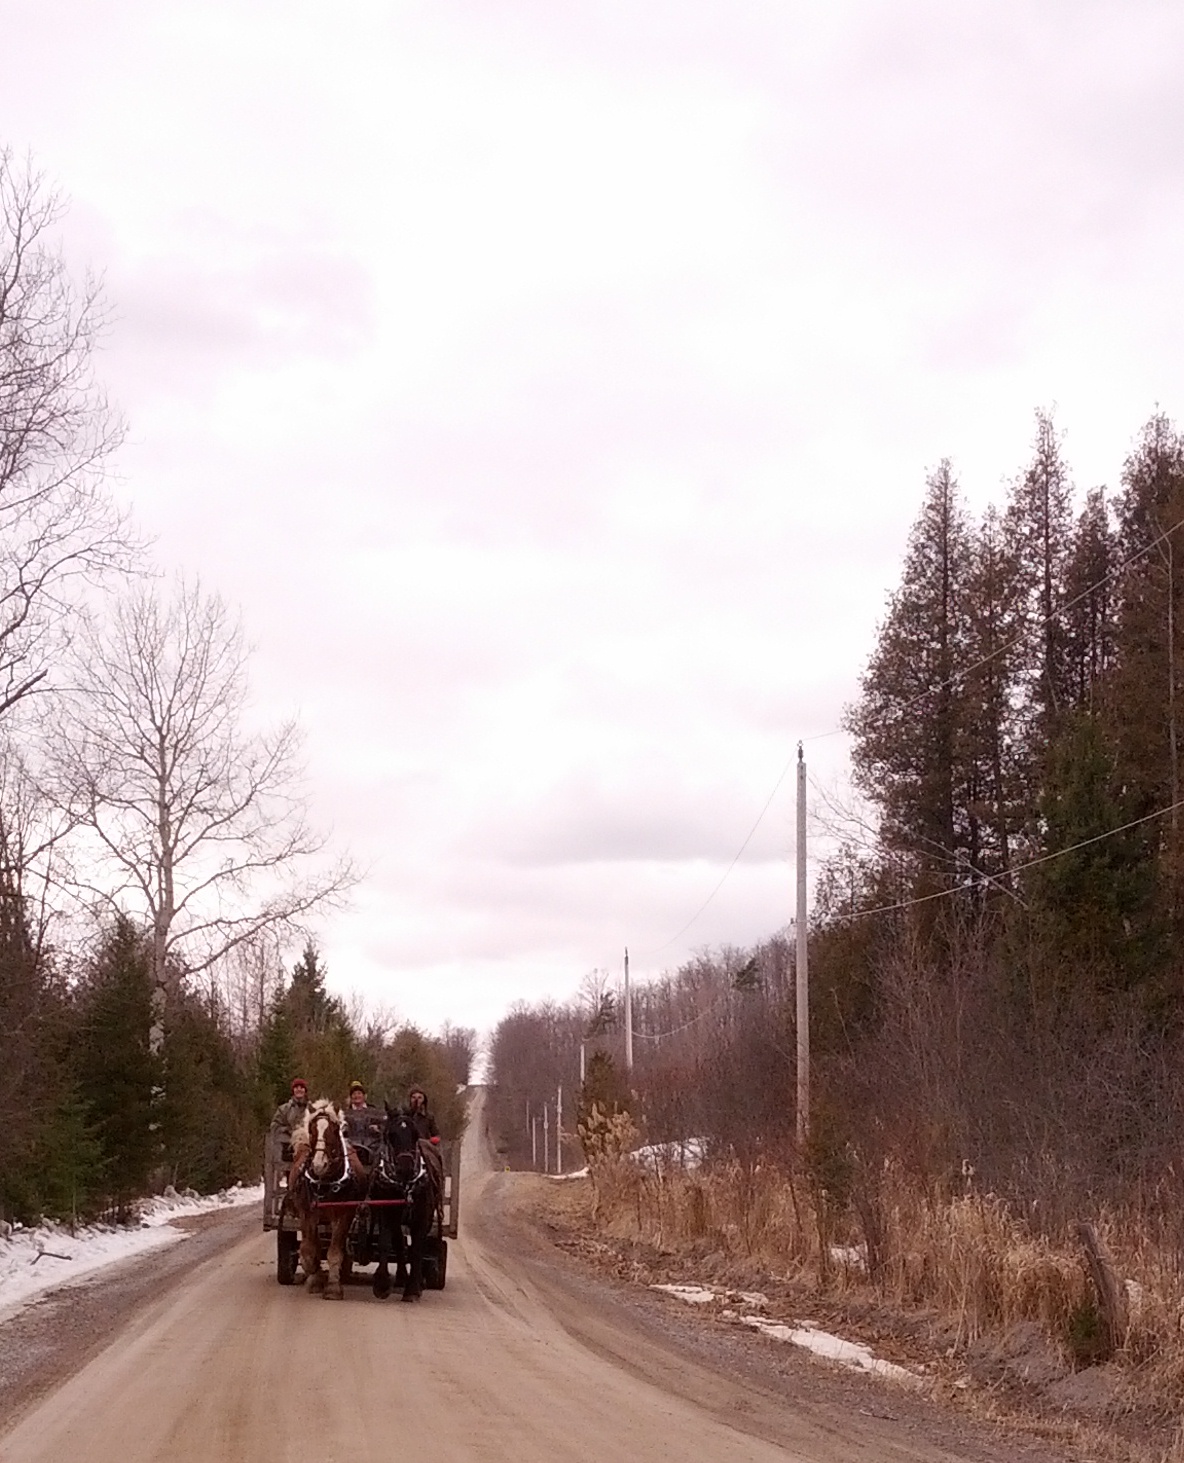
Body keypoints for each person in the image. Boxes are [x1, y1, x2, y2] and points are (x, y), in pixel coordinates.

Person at [405, 1085, 444, 1218]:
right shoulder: (405, 1115)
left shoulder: (428, 1117)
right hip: (409, 1146)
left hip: (425, 1146)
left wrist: (430, 1141)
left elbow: (437, 1136)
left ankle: (437, 1189)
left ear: (424, 1100)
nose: (416, 1100)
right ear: (410, 1099)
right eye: (414, 1097)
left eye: (419, 1097)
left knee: (435, 1162)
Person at [342, 1079, 382, 1163]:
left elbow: (385, 1126)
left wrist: (378, 1128)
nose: (357, 1096)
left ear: (364, 1096)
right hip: (351, 1148)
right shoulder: (344, 1114)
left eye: (359, 1093)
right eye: (354, 1094)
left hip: (373, 1147)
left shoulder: (375, 1112)